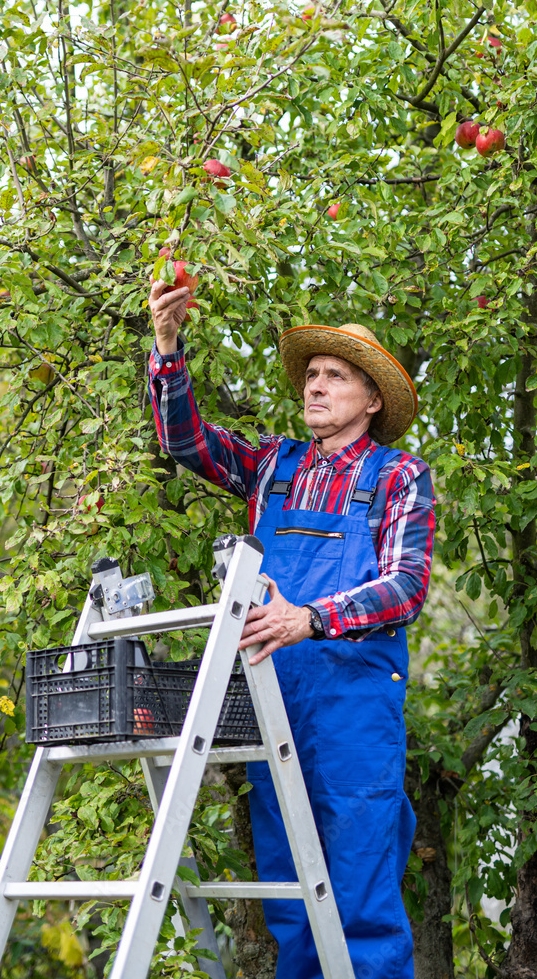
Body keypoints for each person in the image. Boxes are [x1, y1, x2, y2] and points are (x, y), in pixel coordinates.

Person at [147, 277, 435, 979]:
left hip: (352, 710)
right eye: (311, 374)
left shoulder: (400, 477)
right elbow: (186, 442)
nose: (316, 386)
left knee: (361, 893)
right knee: (289, 893)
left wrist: (310, 617)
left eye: (335, 376)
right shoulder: (274, 464)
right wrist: (167, 346)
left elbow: (406, 585)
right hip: (271, 698)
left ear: (371, 401)